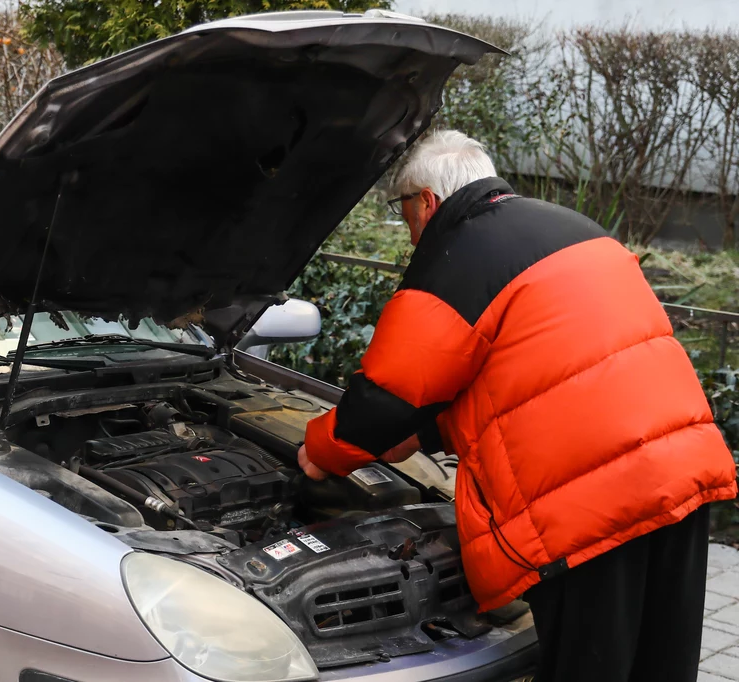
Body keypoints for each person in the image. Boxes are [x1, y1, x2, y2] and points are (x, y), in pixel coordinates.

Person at [296, 130, 737, 682]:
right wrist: (431, 434)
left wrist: (317, 453)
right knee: (659, 664)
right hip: (684, 477)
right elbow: (538, 369)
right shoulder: (576, 228)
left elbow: (387, 398)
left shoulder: (456, 257)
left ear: (426, 203)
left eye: (403, 212)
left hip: (594, 512)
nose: (409, 232)